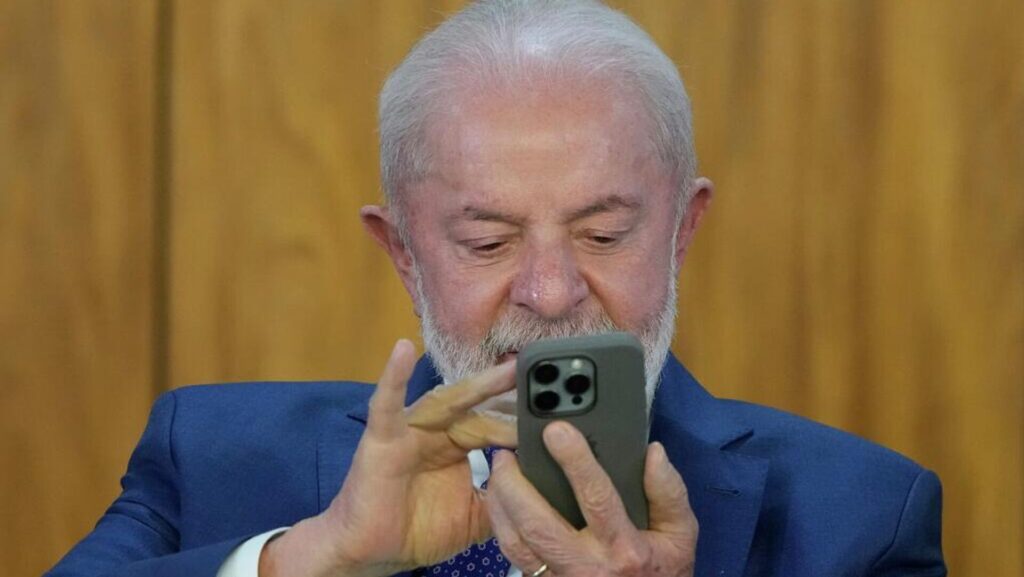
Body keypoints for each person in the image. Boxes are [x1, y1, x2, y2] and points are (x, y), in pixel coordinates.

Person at [48, 1, 946, 576]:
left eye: (602, 234)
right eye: (487, 239)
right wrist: (312, 557)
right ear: (402, 253)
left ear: (683, 232)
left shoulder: (861, 519)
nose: (552, 294)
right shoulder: (205, 454)